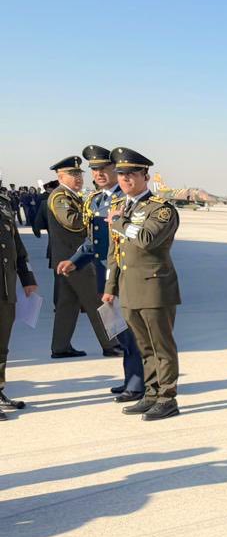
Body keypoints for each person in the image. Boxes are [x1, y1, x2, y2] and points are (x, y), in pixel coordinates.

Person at [102, 149, 183, 420]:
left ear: (145, 176)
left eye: (132, 174)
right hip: (129, 289)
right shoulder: (124, 208)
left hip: (154, 288)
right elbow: (116, 253)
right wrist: (110, 287)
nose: (125, 179)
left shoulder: (160, 209)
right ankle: (150, 393)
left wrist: (120, 222)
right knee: (143, 347)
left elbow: (147, 238)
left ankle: (167, 397)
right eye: (121, 174)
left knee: (161, 347)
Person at [69, 145, 145, 400]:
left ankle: (137, 383)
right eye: (94, 169)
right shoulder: (95, 200)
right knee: (119, 332)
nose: (99, 173)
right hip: (104, 277)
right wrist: (75, 261)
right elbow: (95, 241)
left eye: (104, 168)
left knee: (131, 332)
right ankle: (129, 379)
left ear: (116, 169)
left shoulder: (124, 200)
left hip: (124, 275)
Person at [45, 156, 117, 359]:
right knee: (96, 301)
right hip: (75, 260)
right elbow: (72, 222)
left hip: (69, 260)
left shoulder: (73, 197)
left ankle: (60, 346)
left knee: (68, 304)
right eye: (73, 174)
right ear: (60, 177)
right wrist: (96, 218)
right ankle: (111, 344)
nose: (78, 178)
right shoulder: (60, 197)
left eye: (79, 174)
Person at [0, 198, 38, 419]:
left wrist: (27, 277)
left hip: (6, 290)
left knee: (2, 346)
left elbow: (18, 248)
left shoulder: (3, 205)